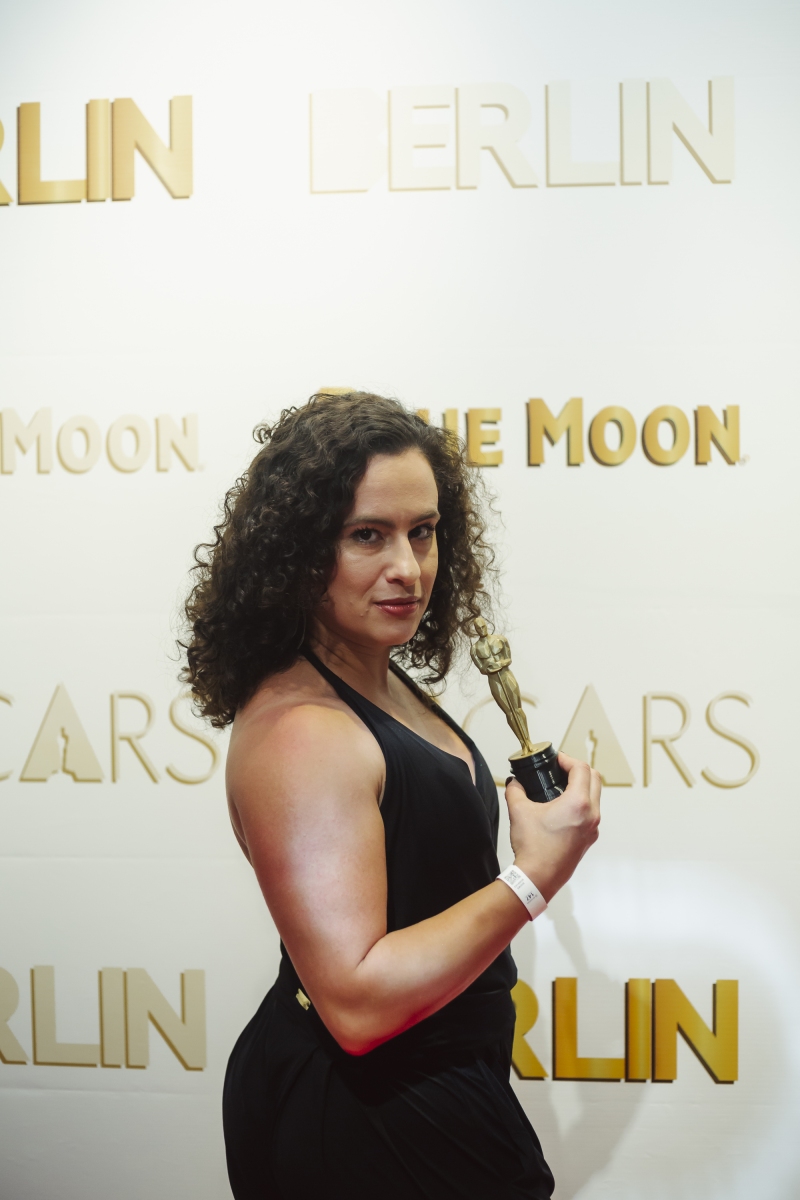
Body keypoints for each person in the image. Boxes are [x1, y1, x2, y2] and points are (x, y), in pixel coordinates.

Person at [181, 391, 601, 1200]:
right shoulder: (305, 733)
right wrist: (534, 876)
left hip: (433, 1081)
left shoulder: (372, 675)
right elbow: (359, 1007)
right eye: (367, 535)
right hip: (361, 1113)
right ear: (297, 551)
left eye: (423, 531)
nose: (408, 567)